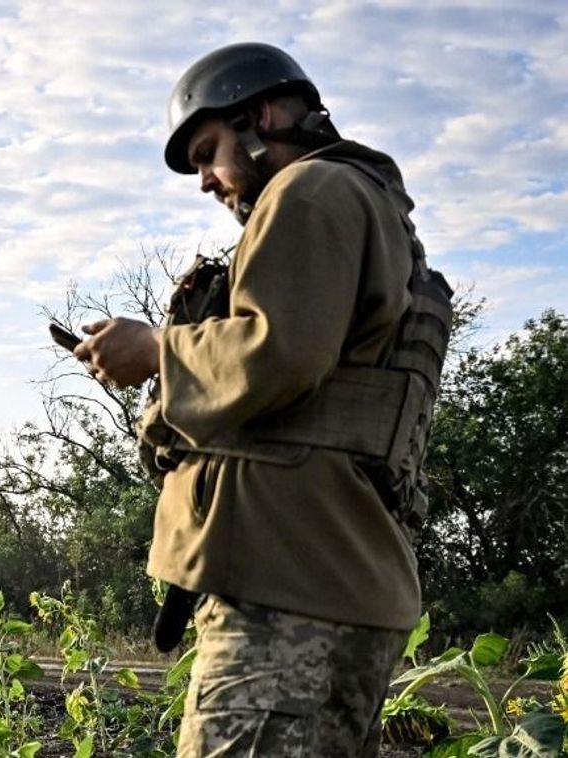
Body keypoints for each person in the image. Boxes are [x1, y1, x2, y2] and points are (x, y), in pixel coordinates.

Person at [75, 42, 450, 756]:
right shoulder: (361, 201)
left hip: (289, 597)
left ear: (264, 116)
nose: (205, 181)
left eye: (207, 151)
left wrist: (156, 349)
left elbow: (276, 352)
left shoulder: (308, 191)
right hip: (324, 582)